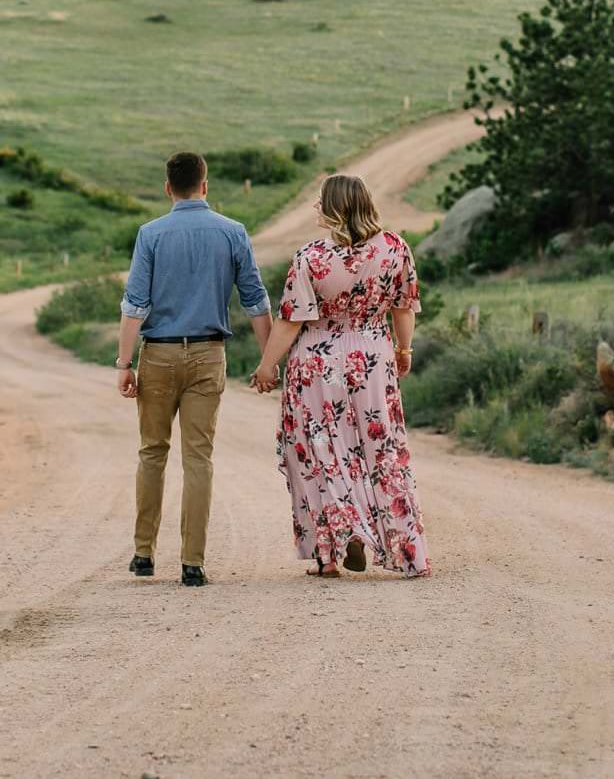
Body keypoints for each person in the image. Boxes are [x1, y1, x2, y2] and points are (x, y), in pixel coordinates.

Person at [253, 174, 431, 578]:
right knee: (380, 450)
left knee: (321, 452)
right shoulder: (394, 248)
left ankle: (333, 546)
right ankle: (405, 553)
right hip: (371, 357)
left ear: (337, 208)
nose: (316, 208)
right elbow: (404, 308)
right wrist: (403, 351)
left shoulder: (310, 258)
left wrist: (266, 366)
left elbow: (292, 321)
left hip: (316, 362)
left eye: (321, 202)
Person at [116, 150, 271, 588]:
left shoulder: (151, 234)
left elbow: (135, 305)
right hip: (208, 355)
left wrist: (124, 364)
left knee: (152, 452)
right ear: (206, 185)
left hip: (159, 354)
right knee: (199, 458)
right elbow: (256, 301)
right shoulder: (233, 233)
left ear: (168, 188)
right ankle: (192, 563)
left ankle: (144, 553)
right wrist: (267, 361)